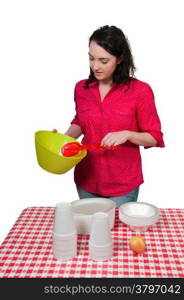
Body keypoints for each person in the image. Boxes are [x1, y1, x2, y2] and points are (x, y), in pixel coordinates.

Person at [54, 25, 165, 207]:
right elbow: (81, 122)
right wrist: (61, 140)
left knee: (117, 235)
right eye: (91, 59)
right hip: (86, 180)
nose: (95, 66)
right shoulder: (81, 88)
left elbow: (154, 137)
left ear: (120, 59)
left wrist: (128, 134)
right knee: (92, 232)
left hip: (122, 185)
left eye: (103, 61)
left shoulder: (140, 91)